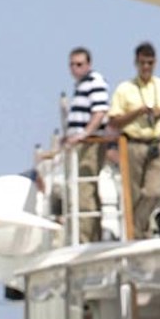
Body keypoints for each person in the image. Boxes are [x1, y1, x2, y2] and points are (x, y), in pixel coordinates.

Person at [108, 43, 160, 238]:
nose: (146, 67)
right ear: (136, 63)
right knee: (135, 195)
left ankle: (137, 231)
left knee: (153, 191)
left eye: (150, 63)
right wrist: (137, 112)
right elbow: (114, 121)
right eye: (142, 63)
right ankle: (139, 235)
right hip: (133, 145)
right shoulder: (124, 89)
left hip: (158, 145)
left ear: (155, 63)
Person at [63, 47, 110, 243]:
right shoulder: (81, 85)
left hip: (89, 146)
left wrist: (84, 134)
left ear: (88, 65)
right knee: (80, 190)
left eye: (79, 64)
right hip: (78, 146)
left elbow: (99, 112)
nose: (75, 68)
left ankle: (87, 239)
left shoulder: (94, 82)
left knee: (86, 191)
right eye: (72, 65)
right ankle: (85, 236)